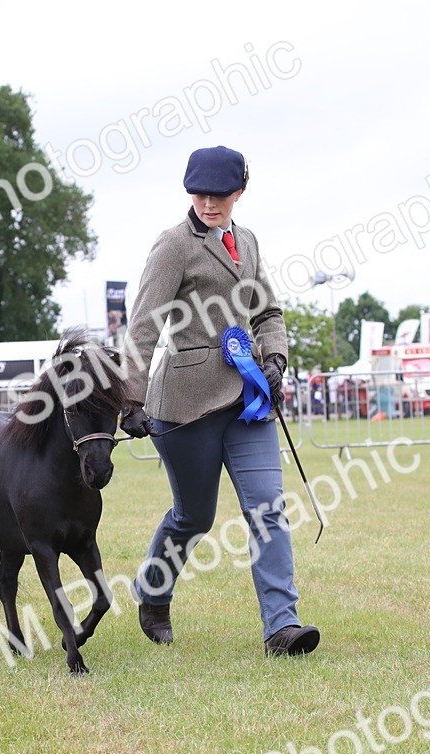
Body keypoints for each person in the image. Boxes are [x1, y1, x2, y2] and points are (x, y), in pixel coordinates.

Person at [119, 145, 320, 657]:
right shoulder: (173, 246)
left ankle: (282, 627)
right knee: (194, 517)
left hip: (249, 402)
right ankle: (153, 591)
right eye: (201, 195)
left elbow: (268, 312)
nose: (210, 204)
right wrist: (129, 397)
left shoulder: (247, 241)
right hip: (185, 404)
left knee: (268, 510)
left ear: (240, 192)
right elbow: (144, 324)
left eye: (221, 195)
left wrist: (273, 359)